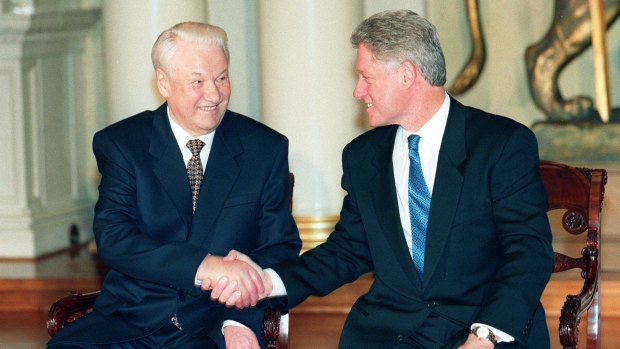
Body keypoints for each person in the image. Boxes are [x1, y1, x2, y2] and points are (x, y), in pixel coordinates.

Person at [213, 10, 554, 349]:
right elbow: (346, 252)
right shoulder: (364, 156)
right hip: (388, 334)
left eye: (366, 78)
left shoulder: (501, 144)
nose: (357, 91)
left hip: (481, 329)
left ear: (407, 74)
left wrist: (486, 336)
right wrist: (265, 281)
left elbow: (528, 252)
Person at [47, 21, 301, 349]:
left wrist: (240, 321)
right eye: (198, 81)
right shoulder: (123, 144)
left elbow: (279, 250)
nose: (214, 94)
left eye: (222, 78)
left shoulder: (264, 149)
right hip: (130, 319)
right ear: (164, 82)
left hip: (215, 324)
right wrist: (202, 265)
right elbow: (114, 238)